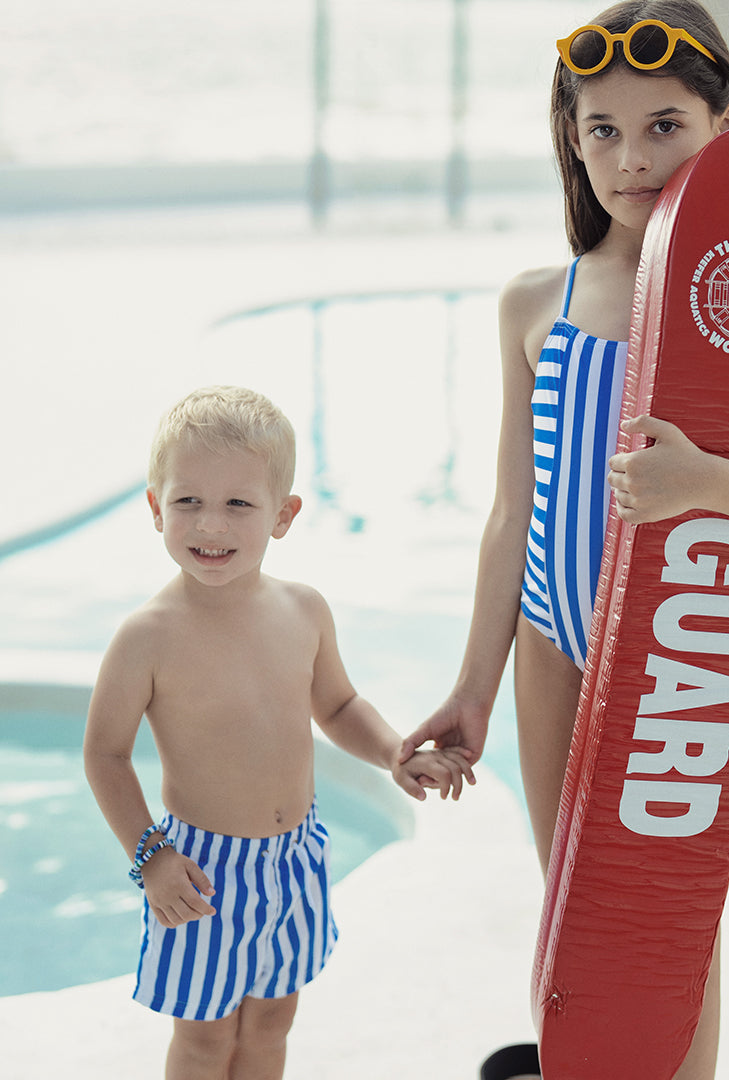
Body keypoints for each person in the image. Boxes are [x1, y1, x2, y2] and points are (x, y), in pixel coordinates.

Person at [401, 3, 729, 1078]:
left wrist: (707, 483)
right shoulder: (537, 303)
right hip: (551, 657)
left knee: (672, 954)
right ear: (572, 147)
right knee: (586, 946)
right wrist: (473, 689)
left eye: (665, 125)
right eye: (603, 132)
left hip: (678, 667)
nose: (632, 159)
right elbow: (510, 514)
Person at [84, 385, 474, 1080]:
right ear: (154, 508)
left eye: (238, 503)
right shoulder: (147, 637)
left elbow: (339, 704)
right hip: (200, 869)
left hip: (296, 862)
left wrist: (394, 753)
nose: (211, 524)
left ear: (284, 515)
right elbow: (106, 755)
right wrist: (152, 857)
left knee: (272, 1021)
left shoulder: (303, 611)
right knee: (204, 1039)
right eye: (187, 501)